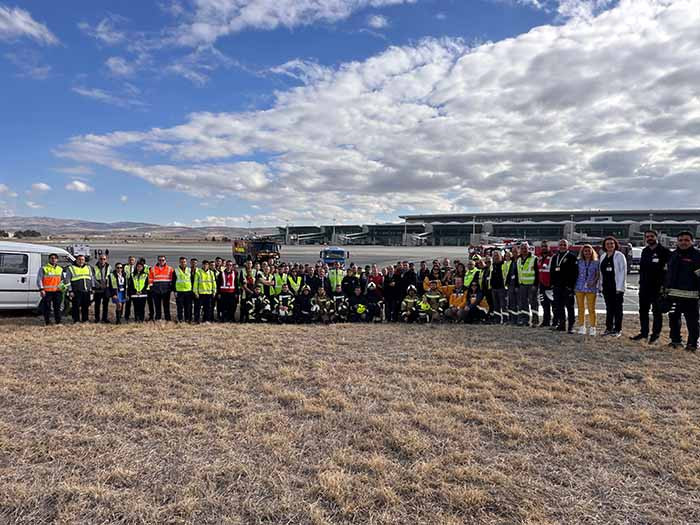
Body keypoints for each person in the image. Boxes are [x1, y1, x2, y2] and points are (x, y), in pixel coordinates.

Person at [630, 230, 671, 344]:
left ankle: (655, 334)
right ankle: (644, 333)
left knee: (656, 312)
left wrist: (665, 285)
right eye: (647, 237)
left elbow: (668, 270)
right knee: (643, 311)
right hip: (644, 287)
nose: (649, 238)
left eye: (651, 236)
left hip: (658, 287)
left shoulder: (664, 251)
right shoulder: (645, 251)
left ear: (656, 237)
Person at [665, 231, 700, 351]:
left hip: (691, 296)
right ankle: (675, 341)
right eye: (680, 240)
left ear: (692, 241)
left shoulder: (697, 256)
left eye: (686, 240)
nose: (683, 242)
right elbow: (668, 274)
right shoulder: (673, 255)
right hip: (673, 294)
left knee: (692, 322)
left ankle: (692, 344)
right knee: (674, 319)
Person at [599, 236, 627, 337]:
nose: (610, 245)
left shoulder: (619, 256)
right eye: (607, 244)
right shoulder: (603, 256)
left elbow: (622, 272)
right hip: (606, 287)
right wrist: (600, 286)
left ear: (615, 244)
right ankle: (609, 328)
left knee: (617, 309)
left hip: (616, 287)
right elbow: (601, 273)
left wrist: (620, 288)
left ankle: (617, 329)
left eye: (612, 243)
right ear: (604, 246)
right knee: (609, 308)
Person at [550, 239, 578, 333]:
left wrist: (571, 286)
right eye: (560, 244)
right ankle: (561, 324)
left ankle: (571, 326)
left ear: (567, 246)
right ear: (558, 246)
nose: (562, 246)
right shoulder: (555, 257)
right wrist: (553, 284)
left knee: (569, 306)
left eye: (564, 245)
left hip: (567, 286)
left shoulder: (572, 257)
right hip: (557, 286)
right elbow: (552, 272)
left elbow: (575, 273)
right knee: (559, 306)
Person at [575, 244, 599, 336]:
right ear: (582, 252)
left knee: (591, 308)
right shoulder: (579, 262)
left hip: (591, 287)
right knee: (581, 308)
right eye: (585, 251)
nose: (587, 253)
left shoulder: (596, 262)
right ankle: (581, 326)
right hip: (579, 287)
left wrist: (593, 282)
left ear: (592, 251)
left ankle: (593, 327)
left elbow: (597, 274)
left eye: (589, 251)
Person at [64, 254, 94, 323]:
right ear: (76, 260)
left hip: (86, 291)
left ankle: (85, 319)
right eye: (79, 259)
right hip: (76, 291)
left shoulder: (88, 268)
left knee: (85, 306)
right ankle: (76, 320)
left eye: (82, 259)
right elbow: (67, 281)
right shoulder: (71, 268)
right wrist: (70, 290)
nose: (81, 261)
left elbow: (91, 278)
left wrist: (92, 288)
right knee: (76, 307)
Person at [515, 243, 539, 327]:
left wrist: (535, 285)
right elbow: (517, 273)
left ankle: (535, 321)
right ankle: (525, 320)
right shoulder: (518, 260)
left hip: (531, 285)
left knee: (534, 303)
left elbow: (537, 273)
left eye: (525, 248)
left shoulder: (534, 258)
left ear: (529, 249)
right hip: (522, 285)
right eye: (522, 248)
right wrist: (517, 285)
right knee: (523, 304)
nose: (524, 250)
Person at [37, 253, 64, 325]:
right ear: (49, 259)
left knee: (57, 307)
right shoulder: (44, 268)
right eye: (52, 258)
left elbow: (62, 280)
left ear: (57, 260)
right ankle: (47, 322)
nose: (53, 259)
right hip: (47, 291)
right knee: (47, 308)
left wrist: (62, 287)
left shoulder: (60, 269)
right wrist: (41, 289)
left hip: (57, 291)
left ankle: (58, 322)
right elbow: (39, 279)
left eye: (55, 258)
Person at [149, 255, 174, 321]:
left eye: (163, 260)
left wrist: (170, 289)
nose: (161, 261)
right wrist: (152, 289)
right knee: (157, 306)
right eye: (160, 260)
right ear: (158, 261)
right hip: (156, 290)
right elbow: (150, 279)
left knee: (166, 305)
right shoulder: (153, 269)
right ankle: (158, 318)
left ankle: (168, 319)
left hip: (166, 290)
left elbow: (172, 280)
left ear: (165, 261)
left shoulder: (170, 269)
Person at [537, 242, 554, 327]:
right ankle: (546, 321)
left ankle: (555, 321)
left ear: (549, 247)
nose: (544, 248)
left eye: (545, 246)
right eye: (542, 246)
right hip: (542, 286)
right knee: (544, 304)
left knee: (553, 304)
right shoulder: (539, 258)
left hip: (550, 285)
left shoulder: (552, 257)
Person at [488, 251, 507, 324]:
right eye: (494, 256)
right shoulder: (492, 265)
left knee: (503, 305)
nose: (495, 257)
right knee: (496, 305)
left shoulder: (504, 264)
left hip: (502, 287)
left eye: (497, 256)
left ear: (501, 256)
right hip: (494, 288)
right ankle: (497, 319)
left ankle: (505, 319)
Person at [93, 254, 112, 323]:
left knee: (105, 305)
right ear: (98, 259)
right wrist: (99, 285)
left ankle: (104, 318)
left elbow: (111, 277)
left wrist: (108, 285)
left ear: (106, 260)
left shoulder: (109, 267)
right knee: (97, 304)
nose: (102, 260)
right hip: (98, 288)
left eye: (104, 259)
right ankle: (97, 318)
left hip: (106, 288)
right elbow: (93, 278)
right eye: (101, 259)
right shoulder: (94, 267)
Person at [173, 257, 193, 323]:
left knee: (188, 307)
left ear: (186, 262)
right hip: (179, 291)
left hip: (188, 291)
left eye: (184, 262)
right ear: (179, 262)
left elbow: (192, 280)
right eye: (181, 262)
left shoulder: (190, 270)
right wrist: (175, 291)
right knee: (180, 307)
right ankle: (180, 319)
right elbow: (173, 281)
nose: (183, 263)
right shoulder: (176, 270)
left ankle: (188, 319)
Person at [123, 256, 136, 322]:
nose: (131, 261)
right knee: (128, 303)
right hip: (127, 287)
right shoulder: (125, 267)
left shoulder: (137, 268)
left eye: (132, 260)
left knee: (135, 303)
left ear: (134, 261)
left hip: (134, 288)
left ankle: (136, 316)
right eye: (130, 260)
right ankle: (126, 316)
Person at [190, 258, 200, 323]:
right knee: (189, 306)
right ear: (190, 263)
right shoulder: (188, 270)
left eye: (195, 263)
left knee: (197, 306)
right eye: (192, 262)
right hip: (189, 291)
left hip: (197, 291)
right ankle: (189, 318)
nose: (194, 264)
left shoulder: (199, 271)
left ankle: (197, 319)